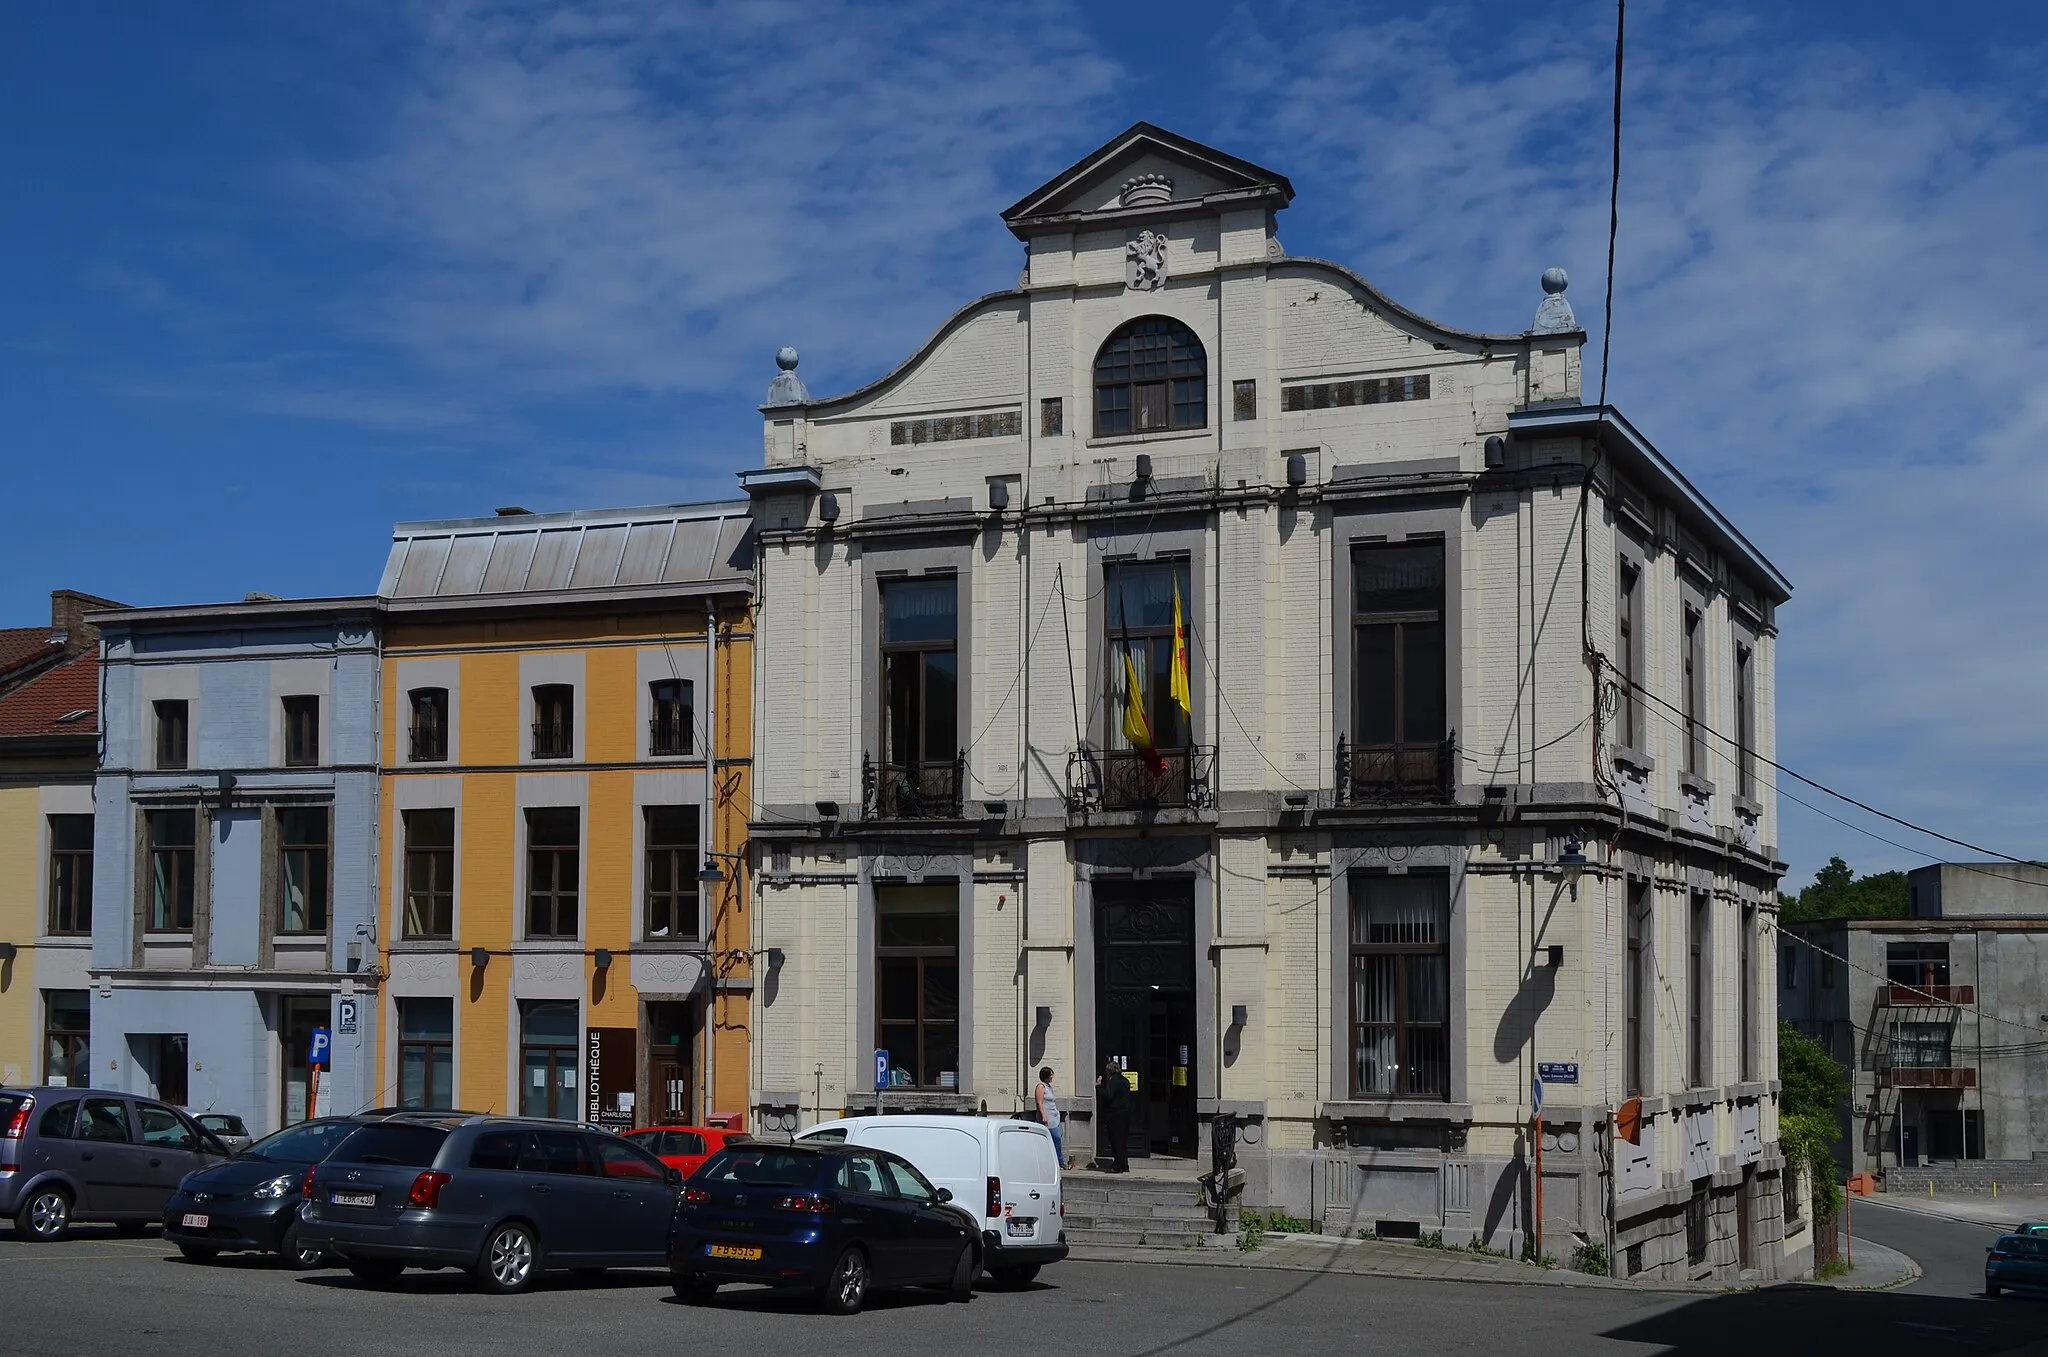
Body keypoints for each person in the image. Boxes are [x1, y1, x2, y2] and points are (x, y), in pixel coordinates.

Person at [1094, 1056, 1131, 1173]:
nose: (1106, 1073)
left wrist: (1098, 1086)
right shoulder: (1125, 1081)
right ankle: (1124, 1164)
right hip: (1125, 1113)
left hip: (1115, 1115)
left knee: (1116, 1140)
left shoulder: (1113, 1081)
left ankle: (1119, 1165)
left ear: (1110, 1071)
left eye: (1107, 1071)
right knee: (1122, 1140)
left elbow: (1108, 1096)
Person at [1034, 1066, 1064, 1168]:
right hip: (1047, 1118)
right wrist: (1043, 1115)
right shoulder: (1041, 1086)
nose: (1052, 1077)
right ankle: (1060, 1162)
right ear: (1046, 1076)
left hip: (1054, 1116)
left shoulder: (1048, 1087)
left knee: (1056, 1138)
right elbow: (1039, 1102)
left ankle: (1057, 1161)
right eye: (1051, 1075)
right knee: (1056, 1138)